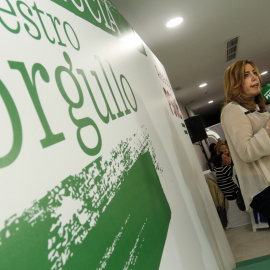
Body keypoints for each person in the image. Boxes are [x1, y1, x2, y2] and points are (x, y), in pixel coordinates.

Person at [221, 59, 270, 225]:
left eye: (254, 73)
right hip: (264, 187)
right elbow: (247, 152)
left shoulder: (256, 109)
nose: (254, 78)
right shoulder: (232, 110)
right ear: (235, 83)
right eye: (246, 75)